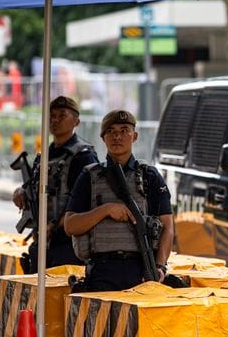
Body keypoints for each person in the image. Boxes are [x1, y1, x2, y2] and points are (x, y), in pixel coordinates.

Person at [64, 110, 174, 292]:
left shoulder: (149, 176)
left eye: (124, 130)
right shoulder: (89, 176)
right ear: (103, 138)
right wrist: (105, 210)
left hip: (141, 270)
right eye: (111, 131)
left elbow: (167, 227)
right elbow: (70, 226)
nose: (117, 136)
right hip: (102, 271)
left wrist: (160, 267)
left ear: (135, 136)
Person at [12, 96, 98, 273]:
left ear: (76, 121)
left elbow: (83, 200)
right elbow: (36, 189)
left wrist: (54, 225)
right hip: (43, 241)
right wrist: (21, 192)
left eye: (61, 115)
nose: (55, 120)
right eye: (51, 116)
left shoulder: (83, 156)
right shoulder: (45, 154)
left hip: (70, 245)